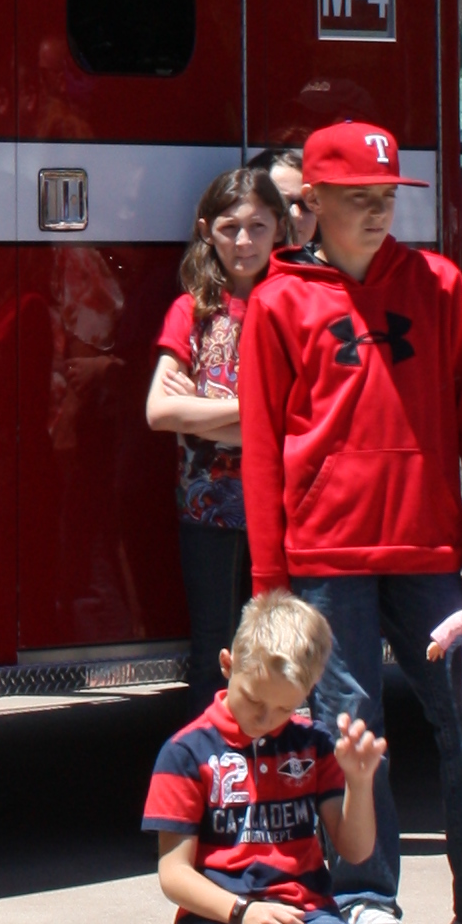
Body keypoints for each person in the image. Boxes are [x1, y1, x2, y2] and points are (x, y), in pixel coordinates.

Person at [238, 112, 462, 924]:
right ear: (312, 201)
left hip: (432, 547)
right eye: (356, 197)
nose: (376, 210)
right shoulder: (278, 301)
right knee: (349, 733)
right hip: (325, 554)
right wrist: (268, 579)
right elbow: (261, 447)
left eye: (386, 195)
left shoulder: (438, 283)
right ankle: (368, 896)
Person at [141, 589, 403, 924]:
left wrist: (360, 783)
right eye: (254, 700)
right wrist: (243, 913)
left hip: (306, 915)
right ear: (227, 665)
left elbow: (355, 852)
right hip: (222, 917)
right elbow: (174, 875)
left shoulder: (313, 744)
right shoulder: (187, 752)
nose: (265, 719)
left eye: (285, 707)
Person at [144, 163, 283, 712]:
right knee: (215, 651)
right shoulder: (192, 311)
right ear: (207, 231)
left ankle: (276, 769)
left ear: (281, 230)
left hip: (283, 507)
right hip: (208, 511)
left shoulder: (294, 305)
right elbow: (158, 410)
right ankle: (215, 775)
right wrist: (253, 414)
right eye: (229, 228)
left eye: (258, 226)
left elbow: (299, 417)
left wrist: (201, 414)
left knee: (277, 648)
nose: (244, 241)